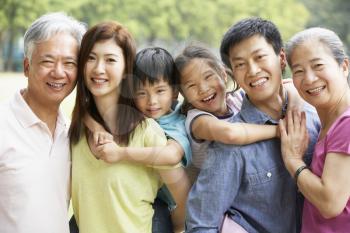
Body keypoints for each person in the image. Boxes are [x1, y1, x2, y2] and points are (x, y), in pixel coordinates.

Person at [185, 17, 320, 233]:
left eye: (260, 57)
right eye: (240, 64)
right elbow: (200, 225)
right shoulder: (229, 147)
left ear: (281, 58)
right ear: (233, 73)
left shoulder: (313, 116)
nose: (253, 70)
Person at [69, 21, 186, 233]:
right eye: (91, 58)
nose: (98, 68)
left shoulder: (146, 131)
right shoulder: (76, 131)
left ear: (126, 69)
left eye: (110, 60)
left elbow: (183, 197)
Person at [0, 12, 86, 233]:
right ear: (27, 66)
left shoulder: (73, 134)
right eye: (48, 61)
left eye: (69, 63)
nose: (58, 73)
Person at [174, 44, 303, 184]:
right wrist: (280, 130)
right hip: (222, 189)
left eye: (208, 77)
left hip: (255, 178)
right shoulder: (197, 121)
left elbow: (289, 86)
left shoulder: (236, 98)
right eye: (191, 85)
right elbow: (230, 134)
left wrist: (293, 110)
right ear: (183, 94)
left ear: (223, 75)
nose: (203, 89)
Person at [280, 27, 350, 233]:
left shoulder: (346, 123)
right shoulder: (328, 119)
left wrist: (293, 161)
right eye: (299, 71)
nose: (309, 79)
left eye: (318, 65)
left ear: (344, 66)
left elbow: (330, 204)